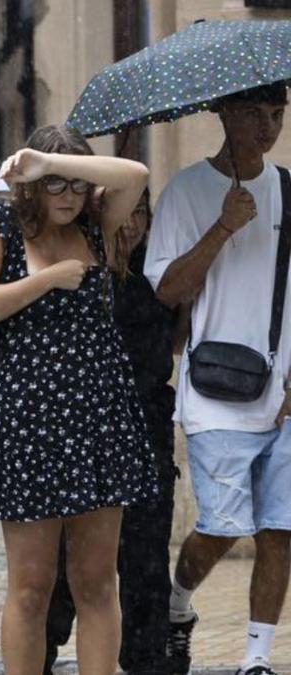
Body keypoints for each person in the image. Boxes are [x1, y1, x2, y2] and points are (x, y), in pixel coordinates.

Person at [0, 124, 154, 675]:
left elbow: (135, 175)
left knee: (96, 580)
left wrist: (51, 163)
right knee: (31, 586)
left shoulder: (97, 225)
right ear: (30, 189)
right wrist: (46, 280)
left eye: (76, 184)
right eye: (54, 186)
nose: (67, 196)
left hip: (98, 414)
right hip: (30, 418)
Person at [144, 82, 291, 675]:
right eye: (254, 112)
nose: (267, 125)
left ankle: (255, 659)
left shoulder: (288, 189)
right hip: (214, 396)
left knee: (281, 530)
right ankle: (179, 603)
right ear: (224, 114)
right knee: (222, 529)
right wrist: (223, 227)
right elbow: (169, 288)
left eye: (277, 114)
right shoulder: (187, 192)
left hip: (282, 396)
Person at [42, 188, 178, 674]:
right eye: (124, 211)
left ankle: (146, 659)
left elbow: (176, 334)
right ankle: (43, 651)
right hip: (84, 431)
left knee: (145, 557)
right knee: (67, 560)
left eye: (141, 211)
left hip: (146, 423)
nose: (132, 223)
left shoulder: (156, 271)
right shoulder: (79, 265)